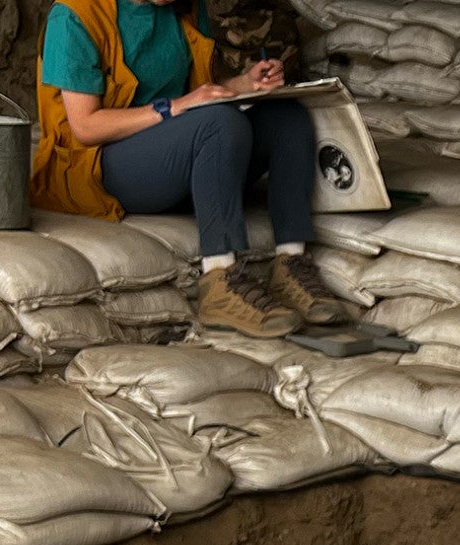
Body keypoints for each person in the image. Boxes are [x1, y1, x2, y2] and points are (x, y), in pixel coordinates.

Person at [32, 0, 344, 338]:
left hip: (176, 154)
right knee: (220, 124)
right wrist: (176, 107)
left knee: (288, 117)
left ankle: (290, 263)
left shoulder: (185, 8)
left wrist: (244, 83)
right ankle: (220, 280)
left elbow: (201, 93)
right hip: (100, 165)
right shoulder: (75, 15)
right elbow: (86, 127)